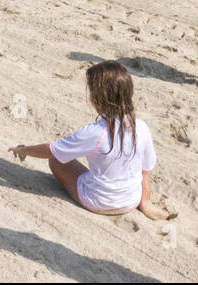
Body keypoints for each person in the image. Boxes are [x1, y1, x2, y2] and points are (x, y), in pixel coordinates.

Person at [10, 61, 172, 221]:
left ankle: (93, 194)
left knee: (56, 161)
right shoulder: (141, 127)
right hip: (131, 200)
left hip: (98, 201)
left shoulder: (95, 132)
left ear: (97, 99)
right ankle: (146, 204)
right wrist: (144, 201)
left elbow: (52, 150)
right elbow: (146, 170)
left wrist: (24, 150)